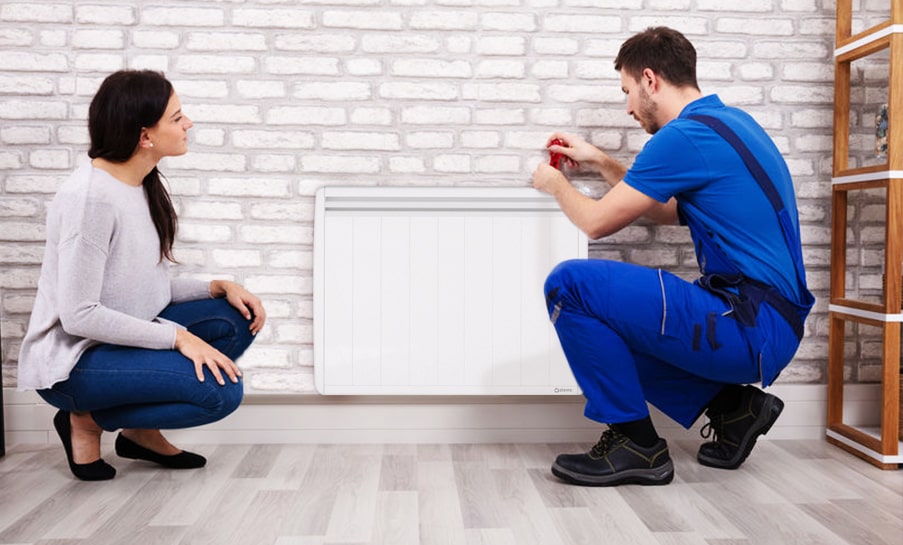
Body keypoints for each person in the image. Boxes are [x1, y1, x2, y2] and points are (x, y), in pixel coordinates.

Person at [531, 27, 814, 487]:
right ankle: (734, 409)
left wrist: (555, 185)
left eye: (626, 91)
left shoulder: (682, 137)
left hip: (748, 322)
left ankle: (635, 444)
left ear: (650, 79)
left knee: (570, 287)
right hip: (769, 323)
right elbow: (669, 211)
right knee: (614, 319)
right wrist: (603, 162)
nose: (627, 107)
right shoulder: (730, 124)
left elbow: (598, 222)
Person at [17, 70, 267, 481]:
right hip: (75, 361)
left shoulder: (138, 183)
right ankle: (85, 420)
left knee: (233, 317)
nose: (189, 124)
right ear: (145, 136)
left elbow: (143, 287)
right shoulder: (90, 200)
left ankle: (137, 433)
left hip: (118, 340)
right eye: (176, 117)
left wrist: (217, 286)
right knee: (220, 393)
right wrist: (179, 338)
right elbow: (79, 315)